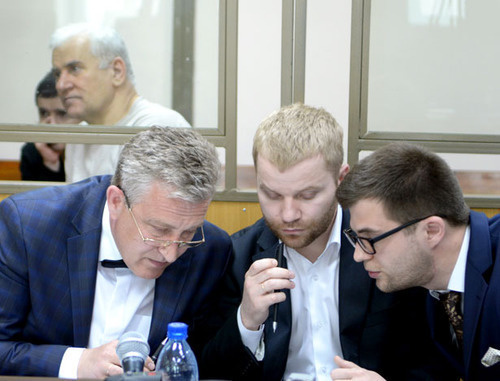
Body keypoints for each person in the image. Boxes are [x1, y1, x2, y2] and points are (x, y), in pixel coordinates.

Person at [199, 103, 449, 381]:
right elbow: (209, 369)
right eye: (271, 194)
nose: (288, 214)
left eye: (307, 196)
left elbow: (435, 362)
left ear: (341, 179)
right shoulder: (237, 256)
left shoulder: (389, 245)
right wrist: (246, 321)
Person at [0, 127, 232, 379]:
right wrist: (78, 362)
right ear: (116, 202)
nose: (171, 254)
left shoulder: (210, 250)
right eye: (159, 230)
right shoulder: (29, 227)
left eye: (188, 233)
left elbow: (208, 359)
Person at [335, 142, 500, 380]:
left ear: (431, 231)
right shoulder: (425, 285)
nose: (359, 255)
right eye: (355, 238)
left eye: (370, 238)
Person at [50, 23, 190, 183]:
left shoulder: (157, 127)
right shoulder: (78, 138)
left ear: (117, 71)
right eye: (57, 74)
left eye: (75, 69)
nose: (61, 85)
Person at [20, 71, 80, 181]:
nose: (51, 123)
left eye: (62, 114)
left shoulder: (88, 148)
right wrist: (50, 163)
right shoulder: (31, 153)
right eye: (44, 113)